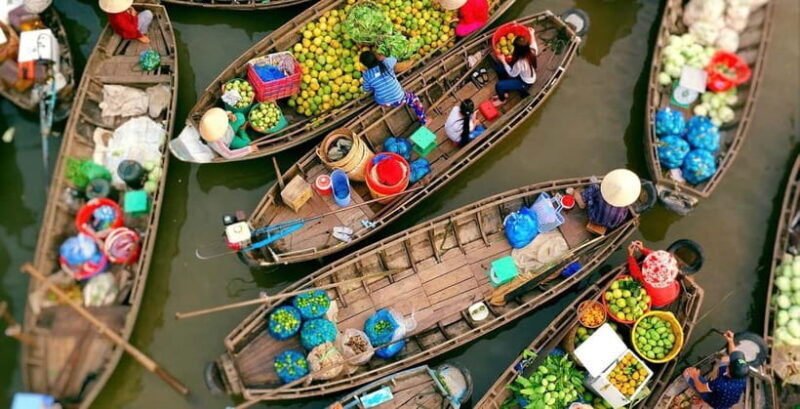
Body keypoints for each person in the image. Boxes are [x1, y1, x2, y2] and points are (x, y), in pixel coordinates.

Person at [683, 330, 748, 409]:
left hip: (717, 403)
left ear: (728, 370)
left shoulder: (720, 384)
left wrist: (695, 376)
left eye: (729, 364)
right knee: (725, 358)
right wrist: (730, 341)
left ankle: (704, 400)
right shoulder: (742, 374)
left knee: (687, 373)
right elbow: (733, 354)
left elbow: (700, 387)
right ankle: (708, 393)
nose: (729, 362)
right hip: (730, 397)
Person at [360, 51, 427, 125]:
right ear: (376, 57)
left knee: (376, 89)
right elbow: (394, 59)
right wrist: (383, 58)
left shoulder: (366, 75)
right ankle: (423, 121)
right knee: (415, 100)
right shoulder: (386, 63)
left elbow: (366, 89)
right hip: (399, 97)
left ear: (364, 65)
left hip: (384, 103)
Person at [492, 28, 539, 106]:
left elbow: (512, 74)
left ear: (517, 50)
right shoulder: (533, 50)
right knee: (499, 68)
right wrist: (532, 34)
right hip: (524, 75)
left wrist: (503, 60)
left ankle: (502, 99)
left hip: (524, 83)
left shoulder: (520, 63)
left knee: (499, 85)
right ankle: (505, 91)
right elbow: (533, 42)